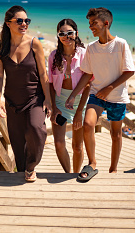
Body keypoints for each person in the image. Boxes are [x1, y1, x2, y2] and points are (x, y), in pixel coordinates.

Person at [66, 7, 135, 182]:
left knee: (115, 134)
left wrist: (109, 88)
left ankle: (113, 168)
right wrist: (73, 95)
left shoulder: (121, 44)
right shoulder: (91, 48)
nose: (91, 27)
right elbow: (87, 74)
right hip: (96, 94)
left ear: (106, 23)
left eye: (94, 23)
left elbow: (129, 71)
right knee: (88, 124)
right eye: (89, 24)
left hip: (117, 97)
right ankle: (92, 163)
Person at [0, 6, 52, 182]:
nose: (24, 24)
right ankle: (23, 172)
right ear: (8, 23)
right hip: (12, 100)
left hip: (34, 98)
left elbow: (43, 73)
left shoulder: (35, 43)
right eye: (19, 21)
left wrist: (48, 99)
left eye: (27, 21)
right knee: (17, 142)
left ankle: (30, 166)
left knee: (36, 129)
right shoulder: (1, 46)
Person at [48, 19, 90, 173]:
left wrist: (79, 111)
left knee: (77, 147)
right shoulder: (53, 56)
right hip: (59, 101)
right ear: (58, 36)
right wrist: (53, 107)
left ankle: (75, 174)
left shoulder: (84, 54)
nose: (66, 36)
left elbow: (89, 84)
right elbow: (50, 84)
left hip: (80, 102)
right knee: (59, 144)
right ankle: (67, 174)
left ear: (76, 34)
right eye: (62, 34)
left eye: (70, 33)